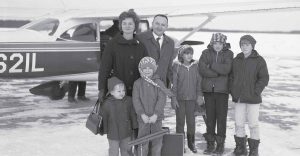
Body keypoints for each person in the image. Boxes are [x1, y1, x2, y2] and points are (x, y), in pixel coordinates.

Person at [230, 35, 269, 156]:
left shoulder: (259, 60)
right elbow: (231, 77)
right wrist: (233, 90)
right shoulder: (237, 59)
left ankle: (253, 150)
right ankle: (241, 148)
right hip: (239, 98)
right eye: (242, 44)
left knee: (253, 123)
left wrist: (256, 91)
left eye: (247, 44)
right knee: (239, 123)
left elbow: (264, 78)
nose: (244, 47)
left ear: (252, 46)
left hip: (253, 98)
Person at [98, 9, 148, 101]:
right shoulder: (112, 44)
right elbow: (104, 68)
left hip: (137, 93)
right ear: (120, 25)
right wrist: (102, 89)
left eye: (130, 23)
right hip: (117, 93)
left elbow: (146, 69)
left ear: (135, 25)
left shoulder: (141, 45)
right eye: (124, 23)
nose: (127, 26)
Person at [198, 33, 233, 154]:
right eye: (215, 43)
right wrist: (216, 73)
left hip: (222, 91)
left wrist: (212, 65)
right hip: (208, 91)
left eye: (220, 43)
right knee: (210, 119)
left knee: (221, 119)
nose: (217, 46)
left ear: (224, 44)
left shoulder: (229, 54)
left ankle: (220, 145)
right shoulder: (205, 53)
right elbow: (202, 69)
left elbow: (227, 69)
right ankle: (210, 144)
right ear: (212, 43)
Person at [132, 57, 168, 156]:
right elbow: (136, 100)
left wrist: (156, 114)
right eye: (145, 68)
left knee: (157, 142)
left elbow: (162, 99)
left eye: (150, 68)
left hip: (156, 118)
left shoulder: (159, 83)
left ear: (154, 69)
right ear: (140, 69)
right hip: (143, 119)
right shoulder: (137, 83)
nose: (147, 70)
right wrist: (142, 114)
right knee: (143, 142)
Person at [171, 45, 204, 153]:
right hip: (180, 99)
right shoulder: (177, 66)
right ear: (181, 55)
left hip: (192, 99)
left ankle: (191, 143)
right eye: (186, 53)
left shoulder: (196, 66)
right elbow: (174, 84)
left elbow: (199, 82)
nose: (189, 55)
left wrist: (199, 95)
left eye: (191, 53)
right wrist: (173, 98)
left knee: (191, 122)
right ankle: (180, 144)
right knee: (180, 122)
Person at [101, 76, 137, 156]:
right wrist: (105, 130)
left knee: (127, 150)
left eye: (123, 90)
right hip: (113, 133)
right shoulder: (107, 104)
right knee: (114, 151)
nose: (122, 93)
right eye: (119, 91)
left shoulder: (128, 101)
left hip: (126, 132)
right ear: (111, 92)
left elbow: (132, 114)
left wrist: (135, 126)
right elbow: (105, 118)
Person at [137, 14, 176, 85]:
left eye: (163, 25)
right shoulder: (140, 38)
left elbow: (169, 67)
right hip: (144, 86)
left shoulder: (170, 43)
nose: (159, 27)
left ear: (166, 27)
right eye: (157, 23)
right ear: (152, 24)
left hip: (162, 86)